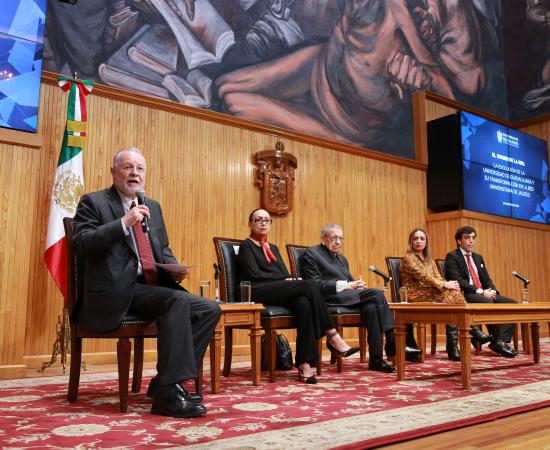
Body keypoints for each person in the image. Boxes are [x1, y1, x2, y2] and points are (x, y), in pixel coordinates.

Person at [73, 147, 221, 417]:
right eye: (127, 167)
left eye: (140, 168)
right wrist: (123, 222)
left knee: (209, 309)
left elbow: (161, 248)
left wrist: (173, 268)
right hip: (114, 291)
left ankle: (165, 381)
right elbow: (81, 244)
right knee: (176, 300)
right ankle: (168, 394)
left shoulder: (152, 206)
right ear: (113, 171)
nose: (134, 173)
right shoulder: (93, 202)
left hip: (149, 288)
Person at [236, 209, 359, 384]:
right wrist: (283, 280)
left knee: (304, 303)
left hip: (275, 289)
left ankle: (304, 364)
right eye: (258, 220)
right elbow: (254, 275)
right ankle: (332, 334)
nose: (263, 223)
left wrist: (287, 280)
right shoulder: (246, 246)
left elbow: (284, 273)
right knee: (309, 284)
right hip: (256, 291)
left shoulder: (272, 248)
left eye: (267, 220)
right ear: (251, 224)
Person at [301, 224, 422, 373]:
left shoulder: (342, 259)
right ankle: (392, 339)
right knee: (377, 294)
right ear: (323, 238)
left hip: (347, 296)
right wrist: (347, 285)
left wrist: (357, 285)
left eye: (341, 238)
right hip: (327, 298)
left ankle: (376, 360)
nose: (338, 242)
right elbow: (314, 284)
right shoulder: (311, 253)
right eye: (334, 238)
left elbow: (349, 282)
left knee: (371, 308)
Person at [400, 228, 492, 361]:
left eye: (422, 238)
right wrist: (445, 284)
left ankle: (455, 345)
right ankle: (471, 332)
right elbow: (424, 277)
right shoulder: (408, 258)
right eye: (415, 239)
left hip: (430, 292)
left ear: (426, 242)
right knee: (452, 293)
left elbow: (438, 277)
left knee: (454, 293)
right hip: (414, 293)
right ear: (411, 241)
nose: (418, 241)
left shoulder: (429, 260)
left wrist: (447, 284)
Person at [445, 226, 517, 358]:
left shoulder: (478, 257)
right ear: (459, 241)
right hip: (465, 294)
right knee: (487, 302)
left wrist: (492, 290)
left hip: (484, 293)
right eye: (467, 238)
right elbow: (458, 280)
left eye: (473, 238)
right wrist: (481, 291)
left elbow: (487, 279)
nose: (471, 241)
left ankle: (500, 341)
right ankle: (496, 342)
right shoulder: (452, 256)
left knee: (512, 304)